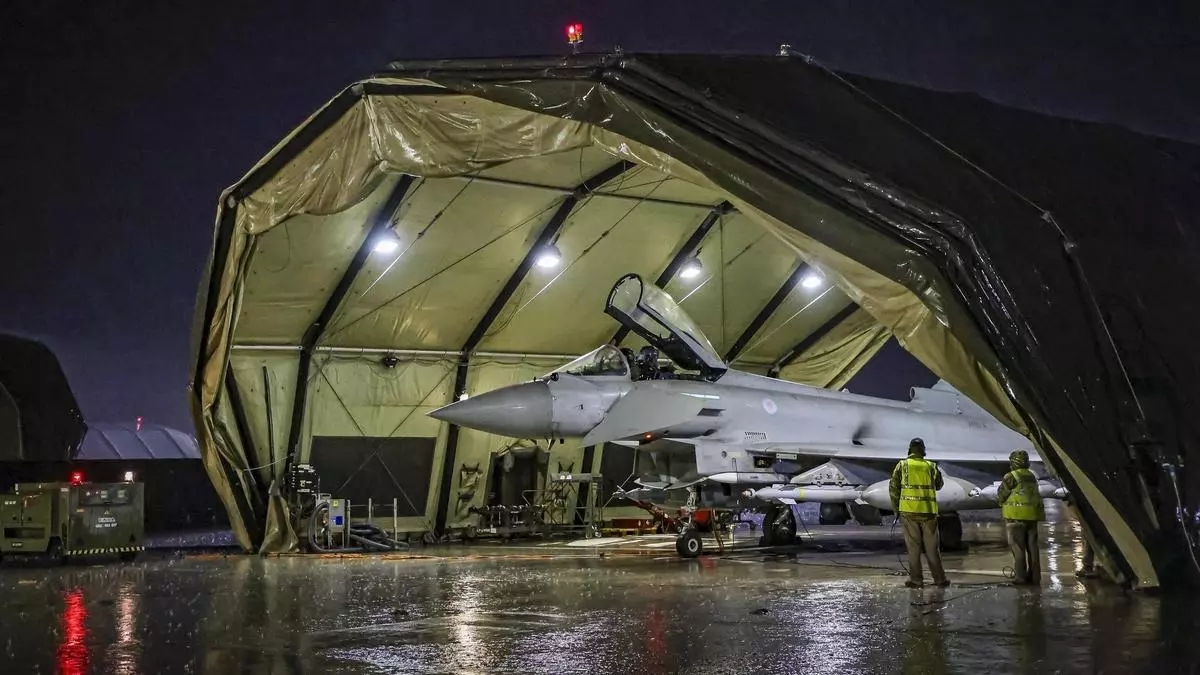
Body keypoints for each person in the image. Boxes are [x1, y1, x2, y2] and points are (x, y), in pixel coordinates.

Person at [890, 437, 949, 588]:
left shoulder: (902, 465)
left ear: (910, 450)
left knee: (913, 548)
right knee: (932, 548)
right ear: (923, 450)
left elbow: (894, 489)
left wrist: (896, 509)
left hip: (909, 512)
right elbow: (939, 485)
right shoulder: (931, 466)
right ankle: (940, 579)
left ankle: (916, 580)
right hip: (928, 512)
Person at [997, 449, 1045, 585]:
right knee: (1033, 548)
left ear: (1013, 462)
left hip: (1016, 517)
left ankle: (1020, 576)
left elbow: (1002, 494)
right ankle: (1035, 576)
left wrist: (1000, 502)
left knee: (1018, 547)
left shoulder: (1011, 476)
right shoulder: (1031, 475)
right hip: (1032, 517)